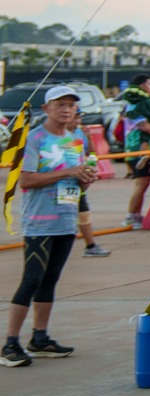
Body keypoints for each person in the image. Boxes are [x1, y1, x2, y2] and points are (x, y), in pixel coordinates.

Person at [3, 85, 92, 366]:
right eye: (60, 104)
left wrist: (85, 179)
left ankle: (39, 338)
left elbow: (76, 180)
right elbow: (26, 179)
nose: (66, 110)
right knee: (31, 280)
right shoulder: (34, 139)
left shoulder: (76, 139)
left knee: (50, 280)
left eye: (71, 105)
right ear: (46, 108)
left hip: (65, 219)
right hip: (39, 223)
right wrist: (67, 172)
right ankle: (10, 344)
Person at [118, 73, 150, 232]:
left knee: (143, 183)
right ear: (142, 86)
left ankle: (136, 215)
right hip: (138, 150)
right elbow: (146, 127)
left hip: (145, 150)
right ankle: (130, 216)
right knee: (141, 184)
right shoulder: (135, 104)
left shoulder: (141, 102)